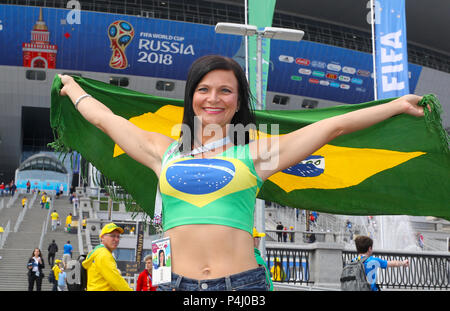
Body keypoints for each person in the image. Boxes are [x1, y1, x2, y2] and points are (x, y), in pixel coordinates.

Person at [58, 54, 426, 291]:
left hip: (241, 289)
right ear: (191, 98)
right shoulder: (162, 150)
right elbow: (107, 120)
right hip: (174, 286)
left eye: (225, 91)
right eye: (203, 89)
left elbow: (333, 126)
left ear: (237, 102)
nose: (213, 98)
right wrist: (73, 89)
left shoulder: (257, 153)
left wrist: (393, 106)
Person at [82, 222, 132, 291]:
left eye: (118, 237)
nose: (116, 239)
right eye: (113, 236)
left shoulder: (97, 251)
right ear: (102, 237)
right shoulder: (104, 254)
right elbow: (116, 281)